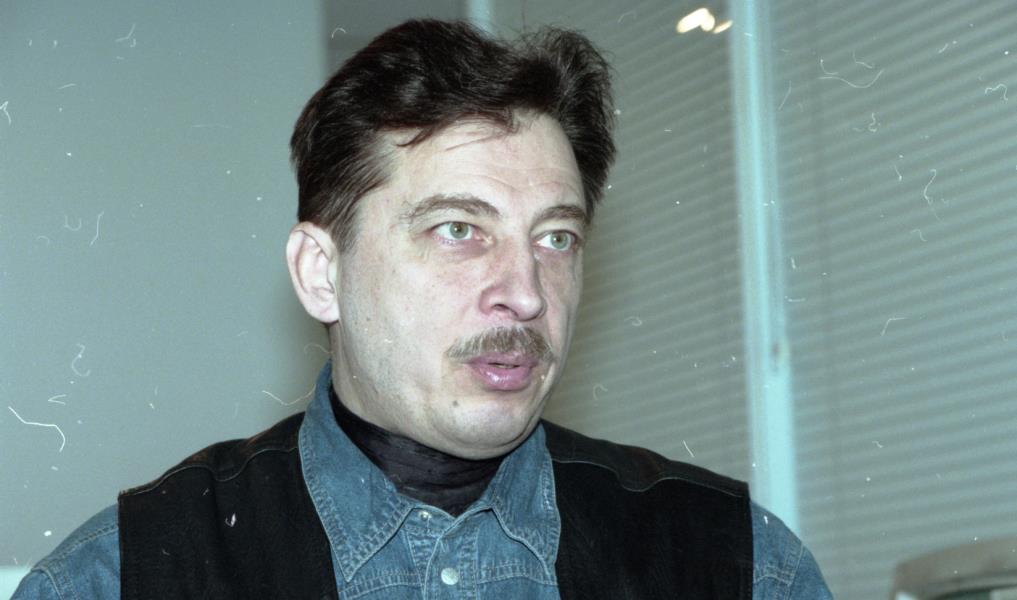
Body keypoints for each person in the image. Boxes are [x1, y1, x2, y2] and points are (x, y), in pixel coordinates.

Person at [14, 19, 832, 599]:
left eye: (555, 238)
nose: (525, 291)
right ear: (320, 273)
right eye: (458, 230)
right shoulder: (122, 577)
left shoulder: (740, 567)